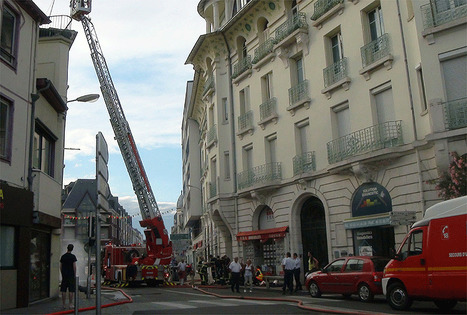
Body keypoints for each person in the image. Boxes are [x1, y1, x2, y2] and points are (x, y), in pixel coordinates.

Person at [60, 244, 77, 309]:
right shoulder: (73, 257)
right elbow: (74, 266)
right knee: (71, 290)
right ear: (72, 249)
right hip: (71, 275)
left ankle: (63, 304)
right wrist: (74, 274)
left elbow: (60, 266)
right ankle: (70, 303)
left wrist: (62, 273)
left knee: (63, 290)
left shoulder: (63, 256)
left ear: (67, 248)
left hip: (64, 275)